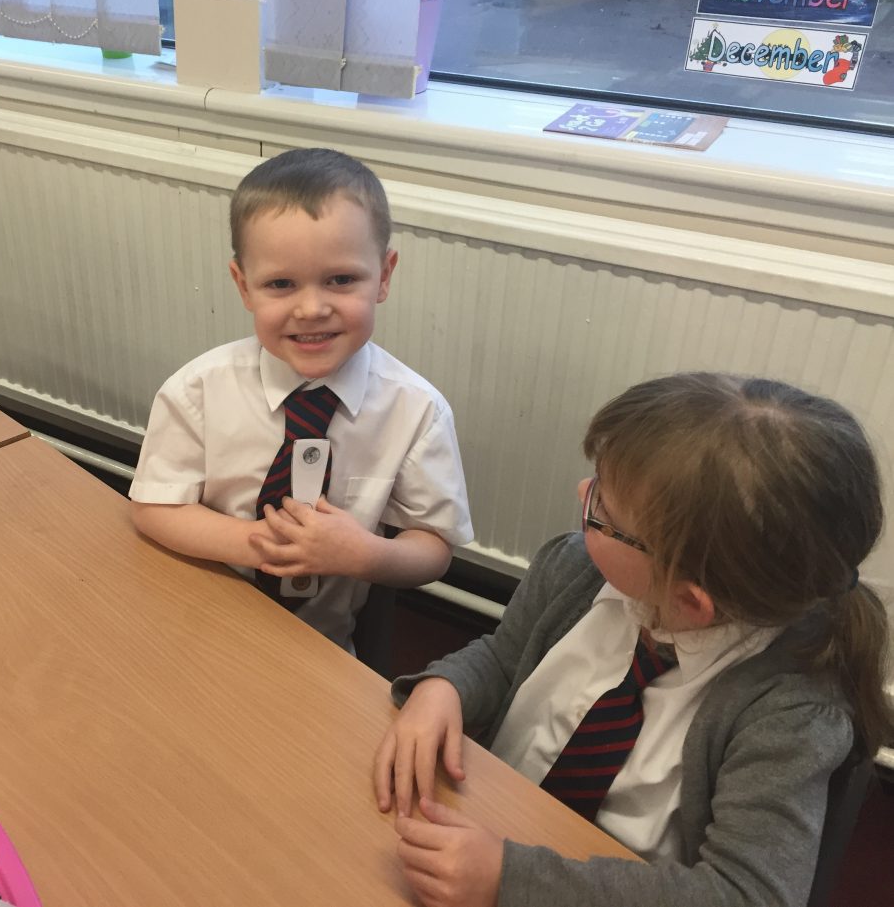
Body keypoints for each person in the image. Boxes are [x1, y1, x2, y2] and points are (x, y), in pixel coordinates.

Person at [374, 372, 894, 907]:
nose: (582, 494)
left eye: (603, 510)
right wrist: (445, 688)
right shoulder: (573, 569)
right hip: (491, 820)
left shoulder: (790, 713)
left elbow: (745, 894)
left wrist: (512, 880)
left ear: (690, 600)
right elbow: (503, 658)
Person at [129, 148, 473, 651]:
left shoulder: (417, 411)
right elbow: (154, 507)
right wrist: (266, 545)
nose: (311, 308)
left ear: (384, 275)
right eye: (281, 284)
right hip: (190, 621)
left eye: (341, 279)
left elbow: (434, 546)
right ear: (244, 286)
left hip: (320, 647)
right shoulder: (198, 390)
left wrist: (365, 555)